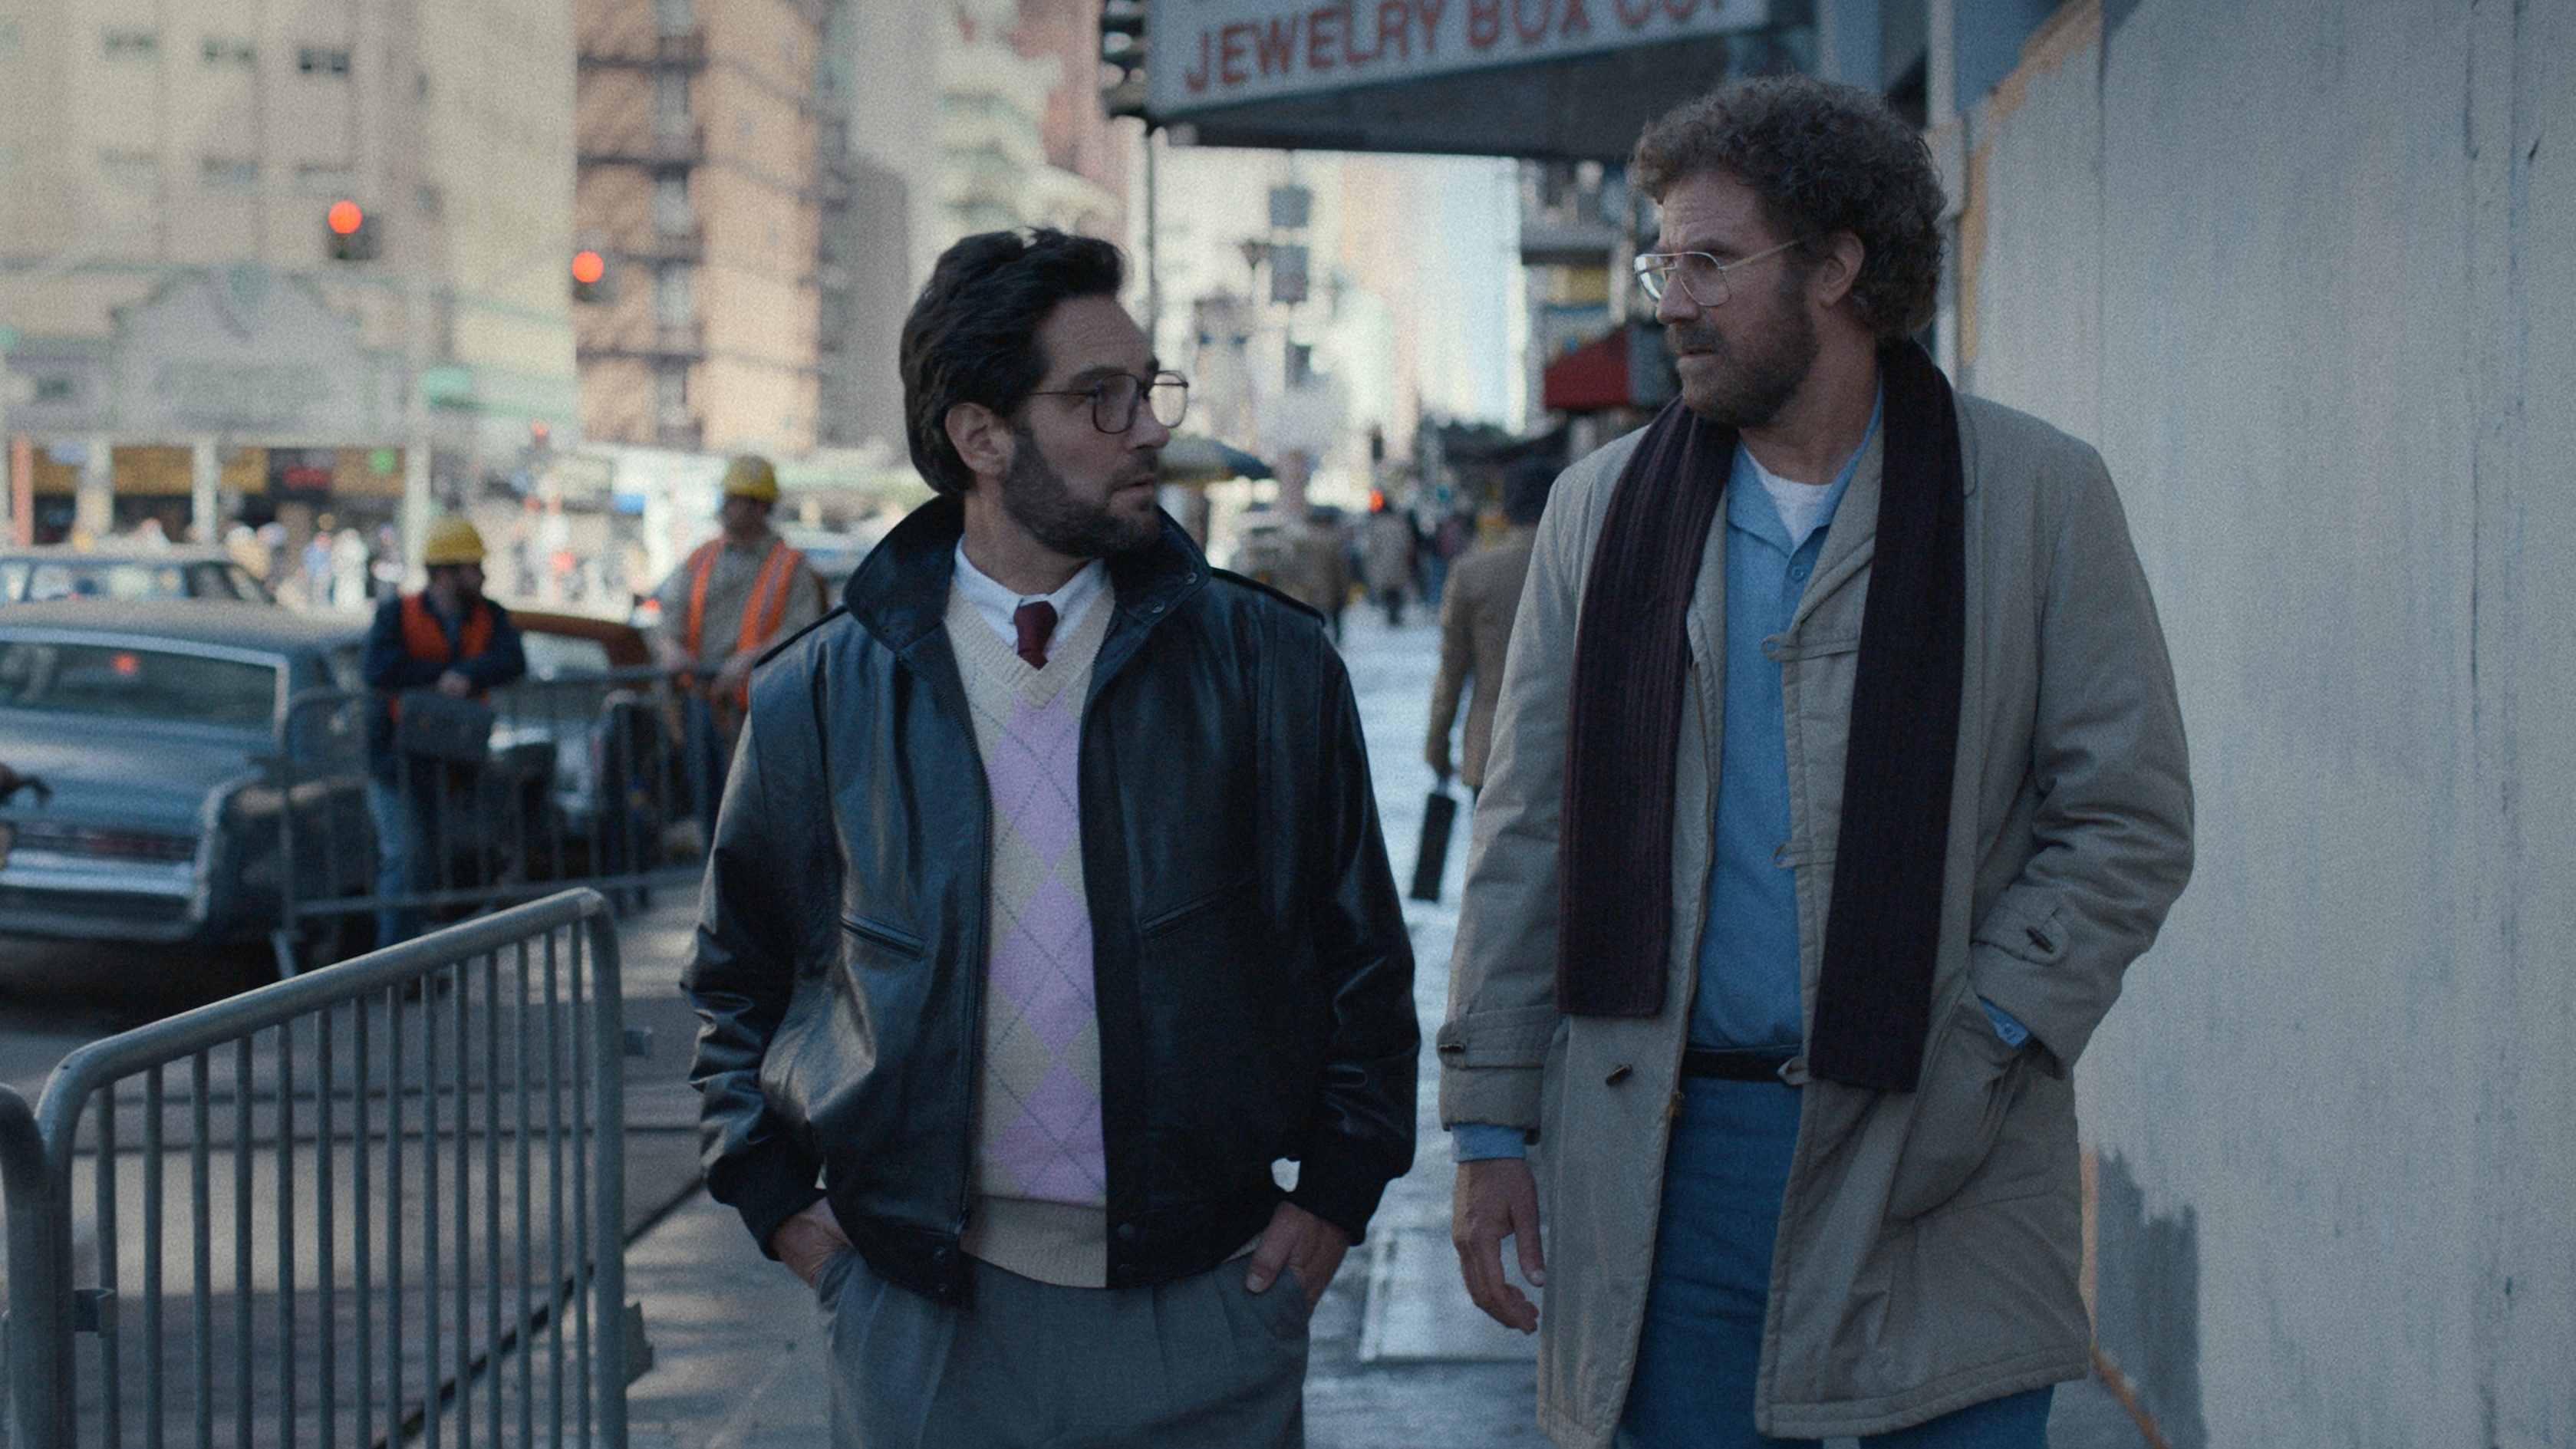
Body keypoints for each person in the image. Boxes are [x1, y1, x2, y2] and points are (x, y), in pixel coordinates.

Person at [1440, 75, 2193, 1449]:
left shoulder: (2035, 495)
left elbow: (2124, 815)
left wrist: (1989, 1036)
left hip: (1939, 1157)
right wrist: (1488, 1125)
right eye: (1661, 264)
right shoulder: (1600, 513)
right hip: (1664, 1171)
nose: (1670, 302)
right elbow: (1526, 826)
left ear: (1838, 267)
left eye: (1710, 262)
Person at [683, 227, 1418, 1449]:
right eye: (1099, 398)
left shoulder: (1270, 668)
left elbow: (1363, 962)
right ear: (981, 436)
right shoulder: (819, 694)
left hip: (1209, 1305)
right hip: (923, 1318)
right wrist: (776, 1202)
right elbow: (738, 977)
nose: (1149, 429)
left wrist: (1336, 1196)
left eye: (1149, 389)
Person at [360, 515, 525, 947]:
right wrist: (442, 676)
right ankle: (393, 965)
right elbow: (377, 670)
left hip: (453, 763)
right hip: (397, 761)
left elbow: (513, 660)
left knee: (429, 866)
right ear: (447, 573)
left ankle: (415, 960)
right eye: (475, 567)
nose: (483, 575)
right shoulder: (398, 614)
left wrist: (468, 673)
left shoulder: (489, 615)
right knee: (406, 861)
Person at [648, 454, 824, 816]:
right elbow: (670, 612)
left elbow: (802, 630)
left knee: (753, 810)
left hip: (760, 710)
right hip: (701, 702)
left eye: (735, 500)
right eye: (726, 497)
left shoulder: (790, 566)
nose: (725, 506)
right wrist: (670, 647)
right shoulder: (702, 557)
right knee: (708, 806)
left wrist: (750, 659)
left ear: (760, 508)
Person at [1425, 459, 1553, 799]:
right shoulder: (1585, 567)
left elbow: (1451, 672)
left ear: (1504, 510)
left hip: (1492, 749)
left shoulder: (1472, 572)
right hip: (1566, 756)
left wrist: (1437, 747)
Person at [1361, 496, 1416, 625]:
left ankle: (1391, 613)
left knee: (1387, 590)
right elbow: (1408, 543)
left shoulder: (1376, 524)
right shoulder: (1400, 523)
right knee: (1397, 589)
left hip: (1382, 564)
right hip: (1398, 562)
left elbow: (1371, 547)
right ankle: (1395, 613)